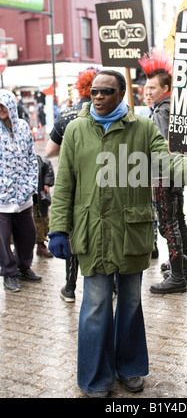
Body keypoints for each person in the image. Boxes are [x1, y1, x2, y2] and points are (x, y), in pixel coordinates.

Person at [48, 69, 187, 398]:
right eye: (94, 92)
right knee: (95, 304)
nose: (99, 97)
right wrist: (59, 228)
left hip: (131, 232)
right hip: (91, 233)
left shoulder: (143, 128)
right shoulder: (76, 131)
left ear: (122, 93)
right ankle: (95, 378)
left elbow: (167, 163)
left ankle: (130, 368)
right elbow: (64, 184)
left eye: (106, 91)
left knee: (131, 302)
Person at [139, 48, 187, 293]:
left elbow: (159, 145)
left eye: (152, 88)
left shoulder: (162, 110)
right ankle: (182, 270)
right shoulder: (175, 106)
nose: (147, 92)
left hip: (163, 175)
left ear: (166, 87)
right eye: (146, 87)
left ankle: (178, 277)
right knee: (178, 221)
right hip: (177, 172)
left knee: (168, 224)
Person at [46, 67, 99, 302]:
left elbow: (49, 150)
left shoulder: (67, 114)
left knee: (73, 235)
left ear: (79, 88)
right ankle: (114, 284)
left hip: (74, 183)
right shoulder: (106, 110)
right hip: (101, 181)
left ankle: (69, 287)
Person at [0, 89, 42, 292]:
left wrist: (31, 183)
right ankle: (9, 273)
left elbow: (31, 157)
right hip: (1, 197)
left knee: (28, 235)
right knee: (2, 239)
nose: (1, 110)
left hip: (23, 192)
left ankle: (24, 266)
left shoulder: (24, 127)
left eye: (3, 106)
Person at [33, 155, 55, 257]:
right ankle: (18, 249)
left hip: (39, 200)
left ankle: (41, 245)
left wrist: (47, 183)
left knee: (42, 223)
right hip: (22, 201)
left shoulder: (40, 160)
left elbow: (48, 169)